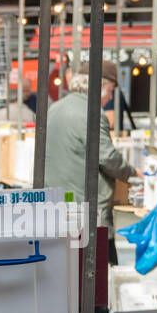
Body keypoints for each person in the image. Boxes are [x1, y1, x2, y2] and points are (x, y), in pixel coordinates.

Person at [43, 60, 138, 237]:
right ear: (101, 86)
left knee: (67, 260)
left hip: (56, 202)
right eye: (110, 91)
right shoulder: (92, 112)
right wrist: (133, 173)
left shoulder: (55, 108)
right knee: (101, 260)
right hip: (86, 209)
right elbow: (107, 157)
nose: (110, 97)